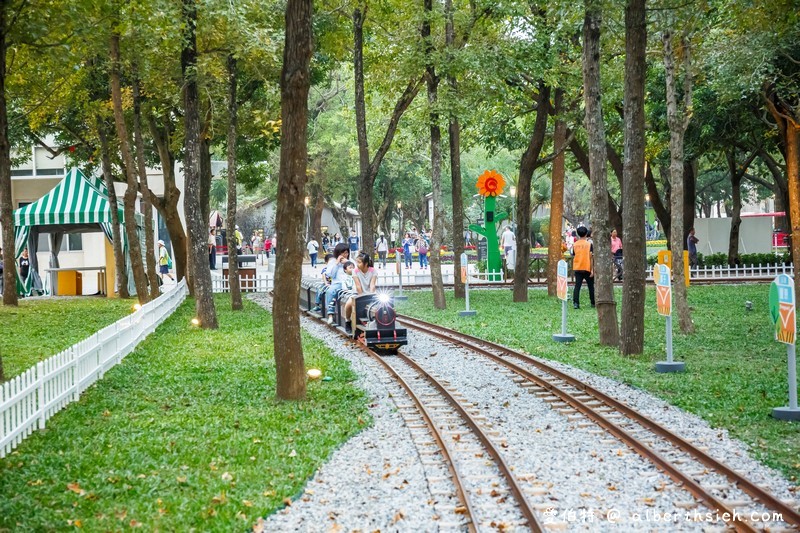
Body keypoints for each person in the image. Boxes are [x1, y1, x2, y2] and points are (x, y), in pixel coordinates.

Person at [344, 252, 377, 329]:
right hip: (357, 293)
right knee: (348, 304)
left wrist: (371, 295)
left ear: (366, 263)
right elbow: (358, 286)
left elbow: (372, 285)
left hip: (370, 293)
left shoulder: (373, 271)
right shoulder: (355, 271)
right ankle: (347, 320)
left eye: (359, 262)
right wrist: (362, 298)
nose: (357, 264)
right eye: (357, 262)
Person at [325, 243, 351, 323]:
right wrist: (337, 263)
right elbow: (330, 274)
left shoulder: (350, 261)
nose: (345, 255)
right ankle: (330, 315)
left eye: (346, 253)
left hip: (349, 283)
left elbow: (356, 271)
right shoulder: (333, 262)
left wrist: (348, 263)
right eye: (342, 253)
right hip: (337, 283)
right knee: (330, 291)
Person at [571, 226, 594, 309]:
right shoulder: (589, 244)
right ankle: (593, 302)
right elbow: (591, 257)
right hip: (587, 266)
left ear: (578, 234)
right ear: (586, 233)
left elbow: (573, 255)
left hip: (577, 267)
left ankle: (576, 303)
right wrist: (592, 270)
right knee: (591, 286)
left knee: (577, 286)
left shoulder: (575, 244)